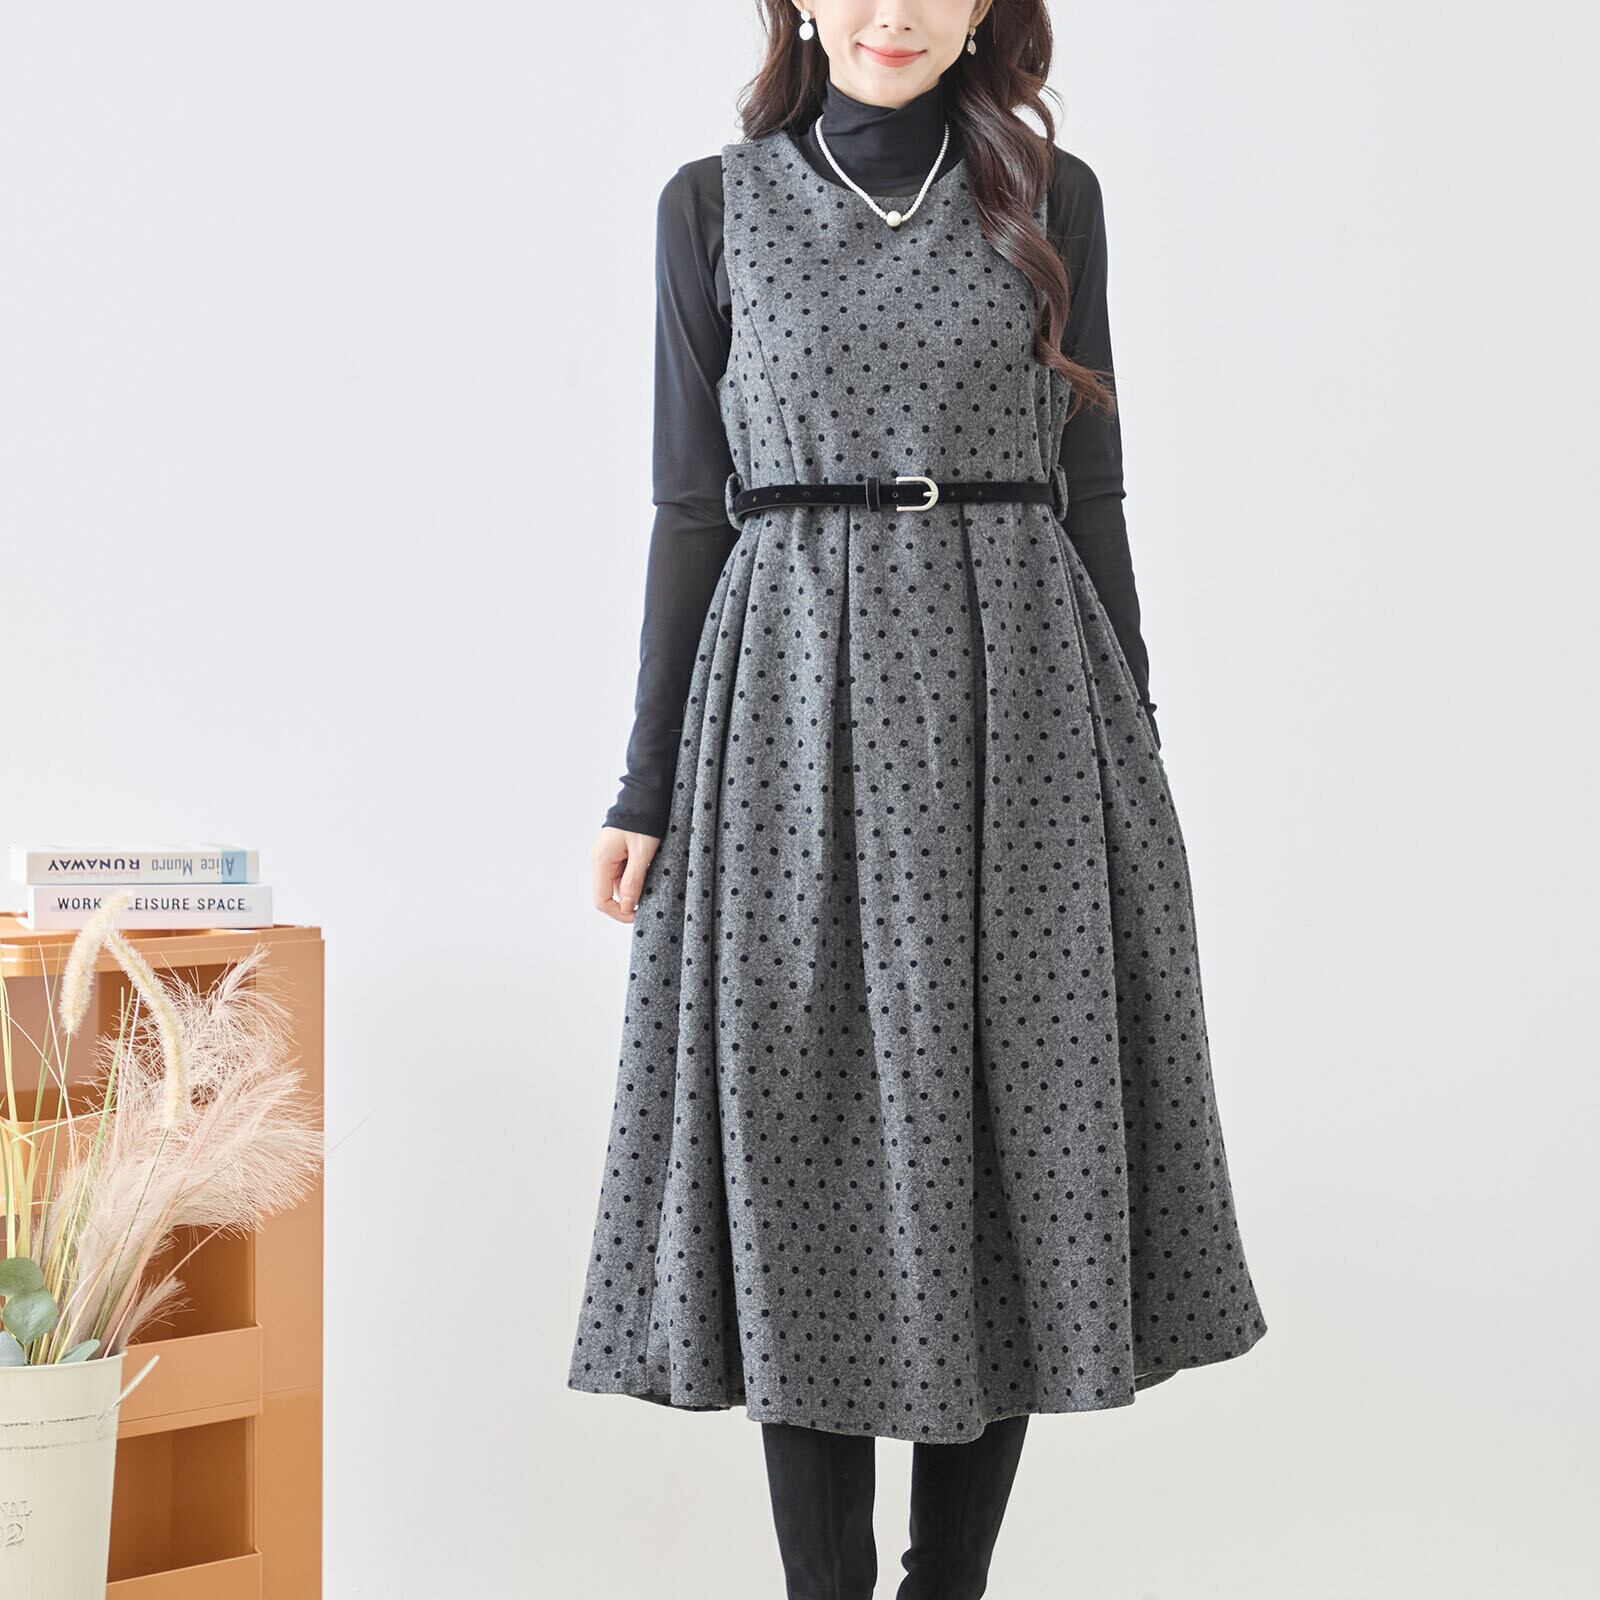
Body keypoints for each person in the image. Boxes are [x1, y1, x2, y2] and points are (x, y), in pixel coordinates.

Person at [570, 3, 1269, 1594]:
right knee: (794, 1132)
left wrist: (1137, 752)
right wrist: (643, 784)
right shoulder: (710, 205)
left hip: (1023, 704)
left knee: (1014, 1122)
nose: (895, 10)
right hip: (785, 705)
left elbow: (1094, 487)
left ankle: (946, 1585)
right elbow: (689, 507)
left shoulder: (1052, 192)